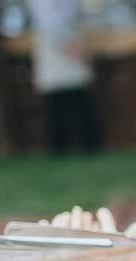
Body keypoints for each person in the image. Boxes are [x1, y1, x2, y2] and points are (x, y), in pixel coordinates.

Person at [26, 0, 100, 153]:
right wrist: (69, 46)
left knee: (79, 100)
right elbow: (47, 23)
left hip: (72, 43)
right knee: (59, 103)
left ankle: (88, 145)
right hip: (56, 48)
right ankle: (62, 147)